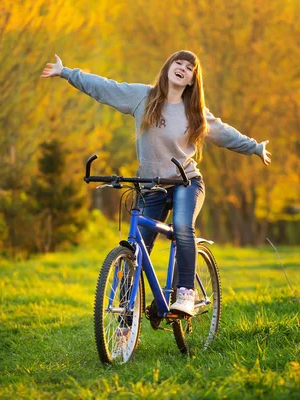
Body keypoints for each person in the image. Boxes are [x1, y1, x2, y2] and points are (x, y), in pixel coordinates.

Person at [41, 50, 271, 316]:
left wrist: (255, 147)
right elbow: (104, 88)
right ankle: (126, 319)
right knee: (138, 248)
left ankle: (185, 293)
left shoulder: (194, 112)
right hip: (151, 185)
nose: (182, 68)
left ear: (192, 80)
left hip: (187, 181)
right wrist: (67, 72)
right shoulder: (143, 97)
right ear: (168, 67)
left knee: (183, 227)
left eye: (189, 68)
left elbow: (224, 133)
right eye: (178, 63)